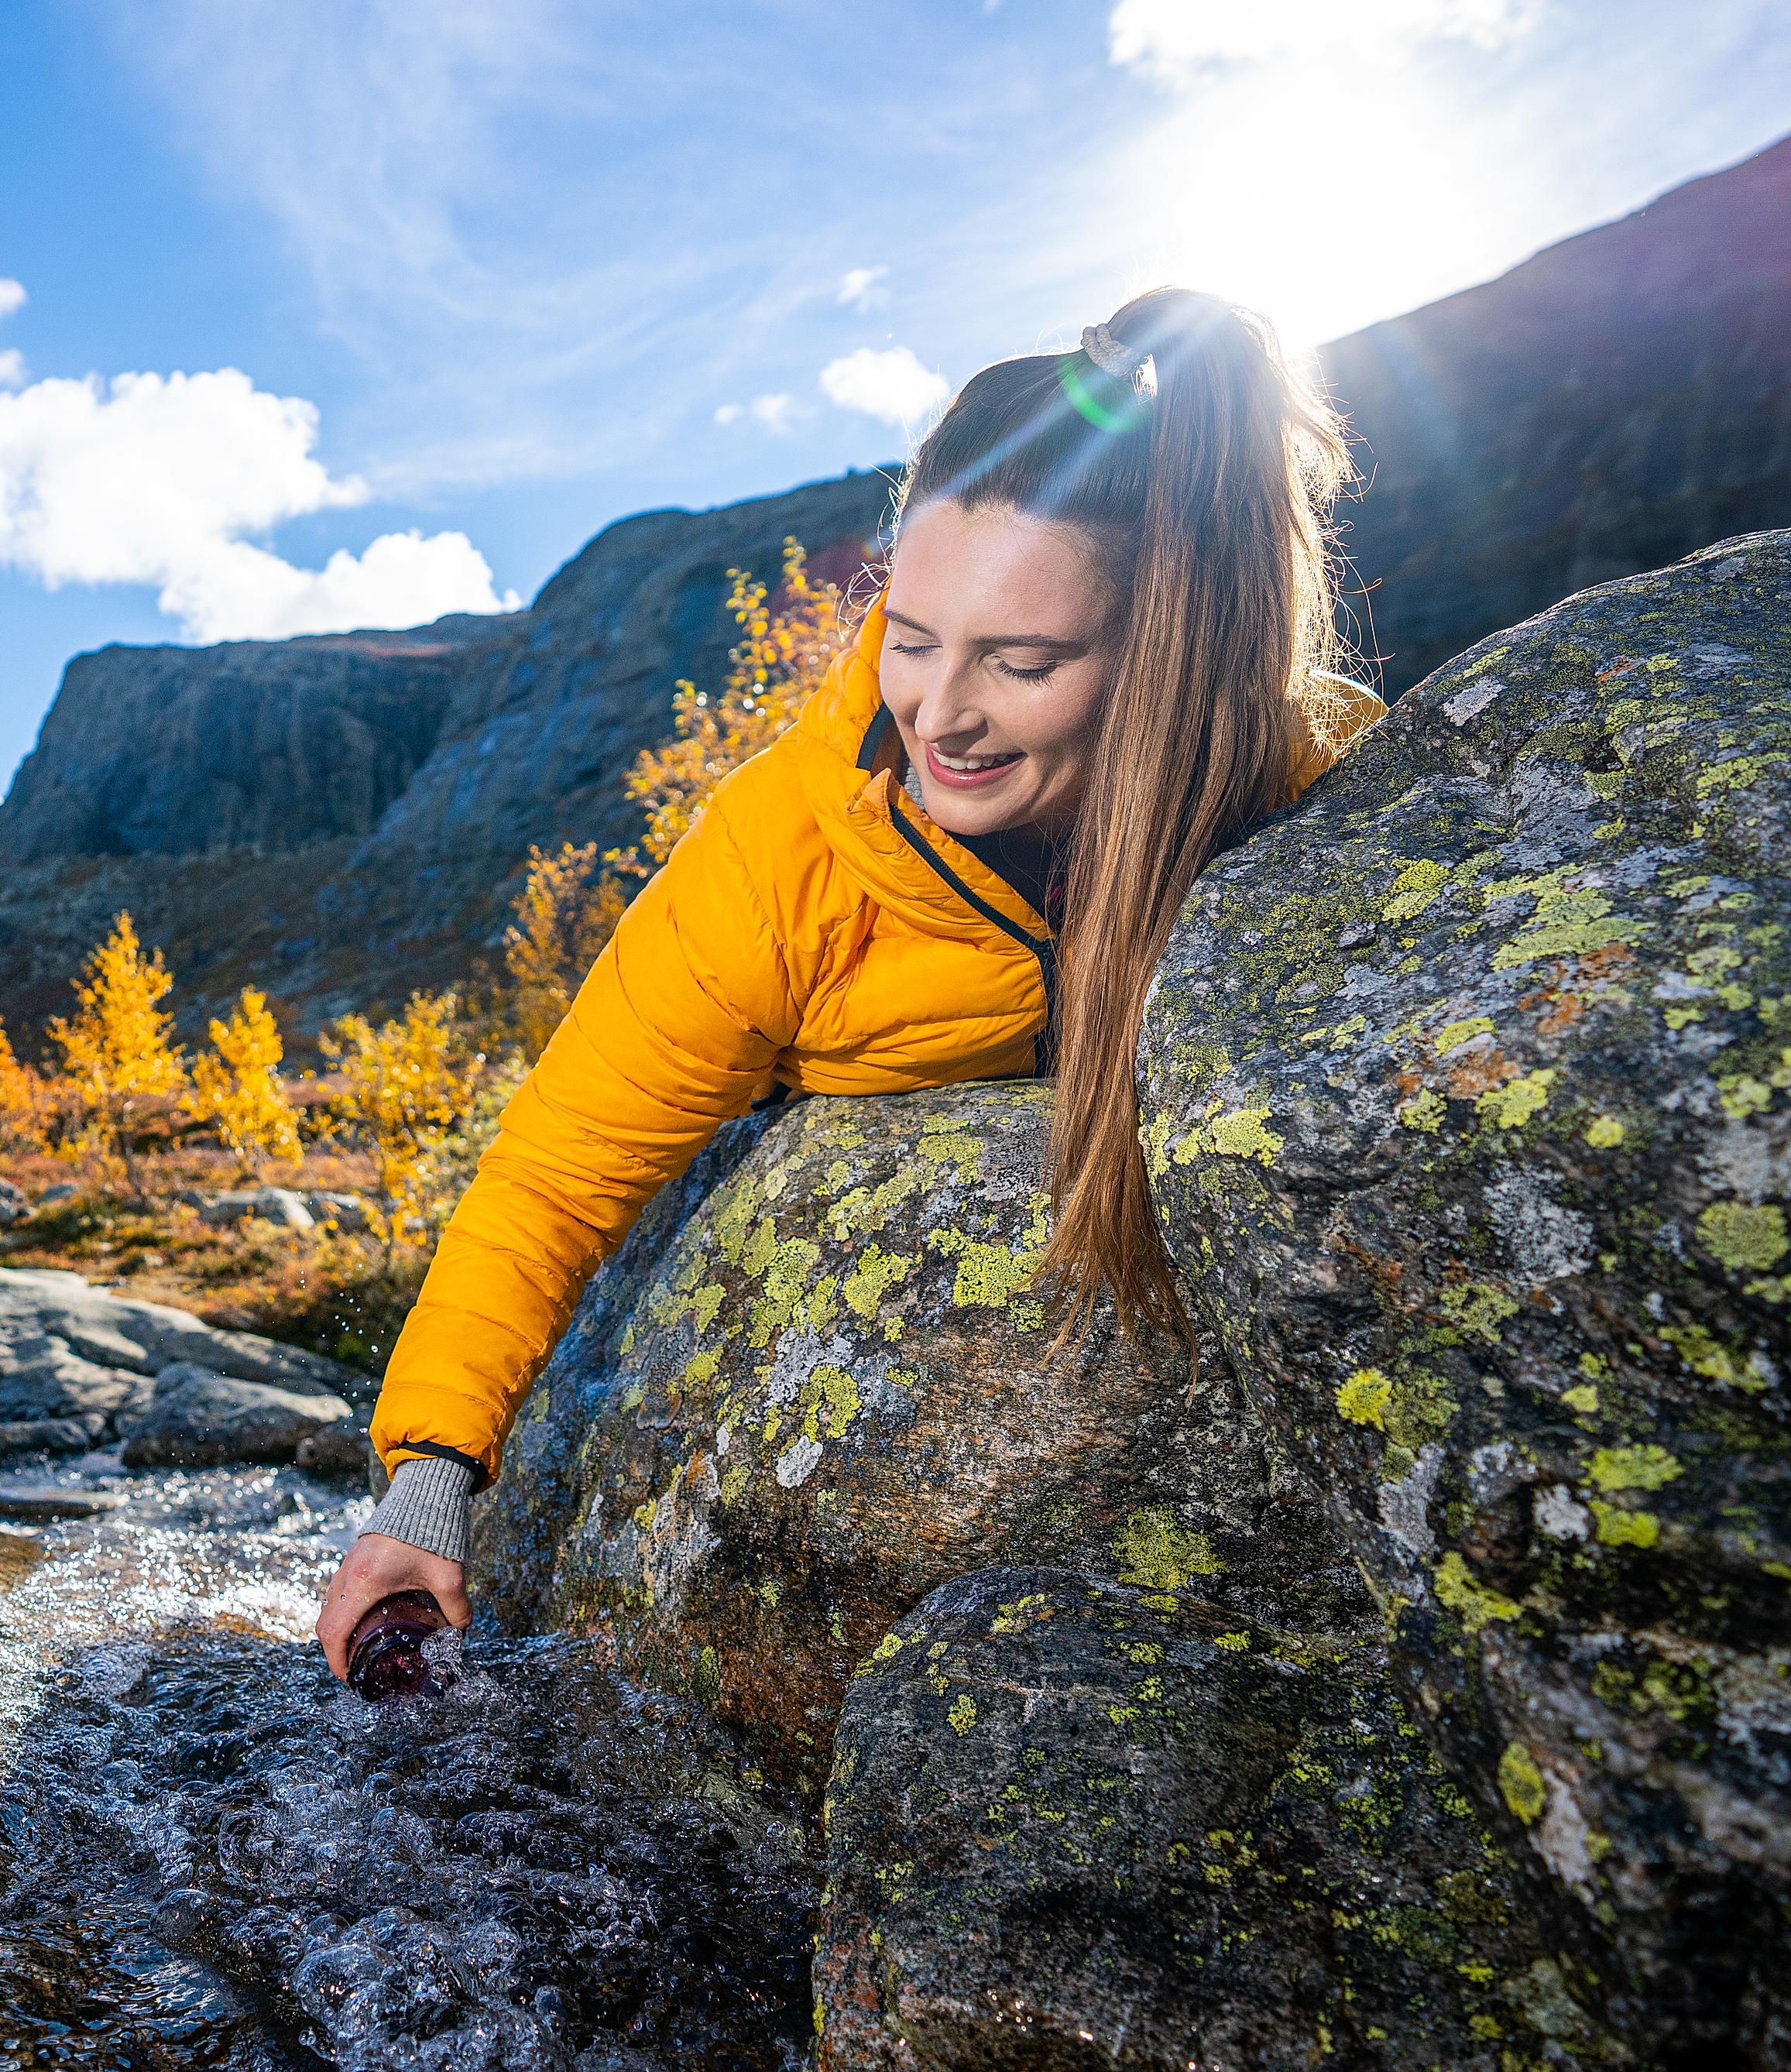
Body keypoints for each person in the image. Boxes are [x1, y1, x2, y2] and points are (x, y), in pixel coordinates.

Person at [317, 286, 1383, 1682]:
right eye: (914, 635)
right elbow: (558, 1169)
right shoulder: (780, 856)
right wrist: (428, 1482)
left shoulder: (1317, 780)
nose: (938, 713)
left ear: (1163, 654)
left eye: (1023, 661)